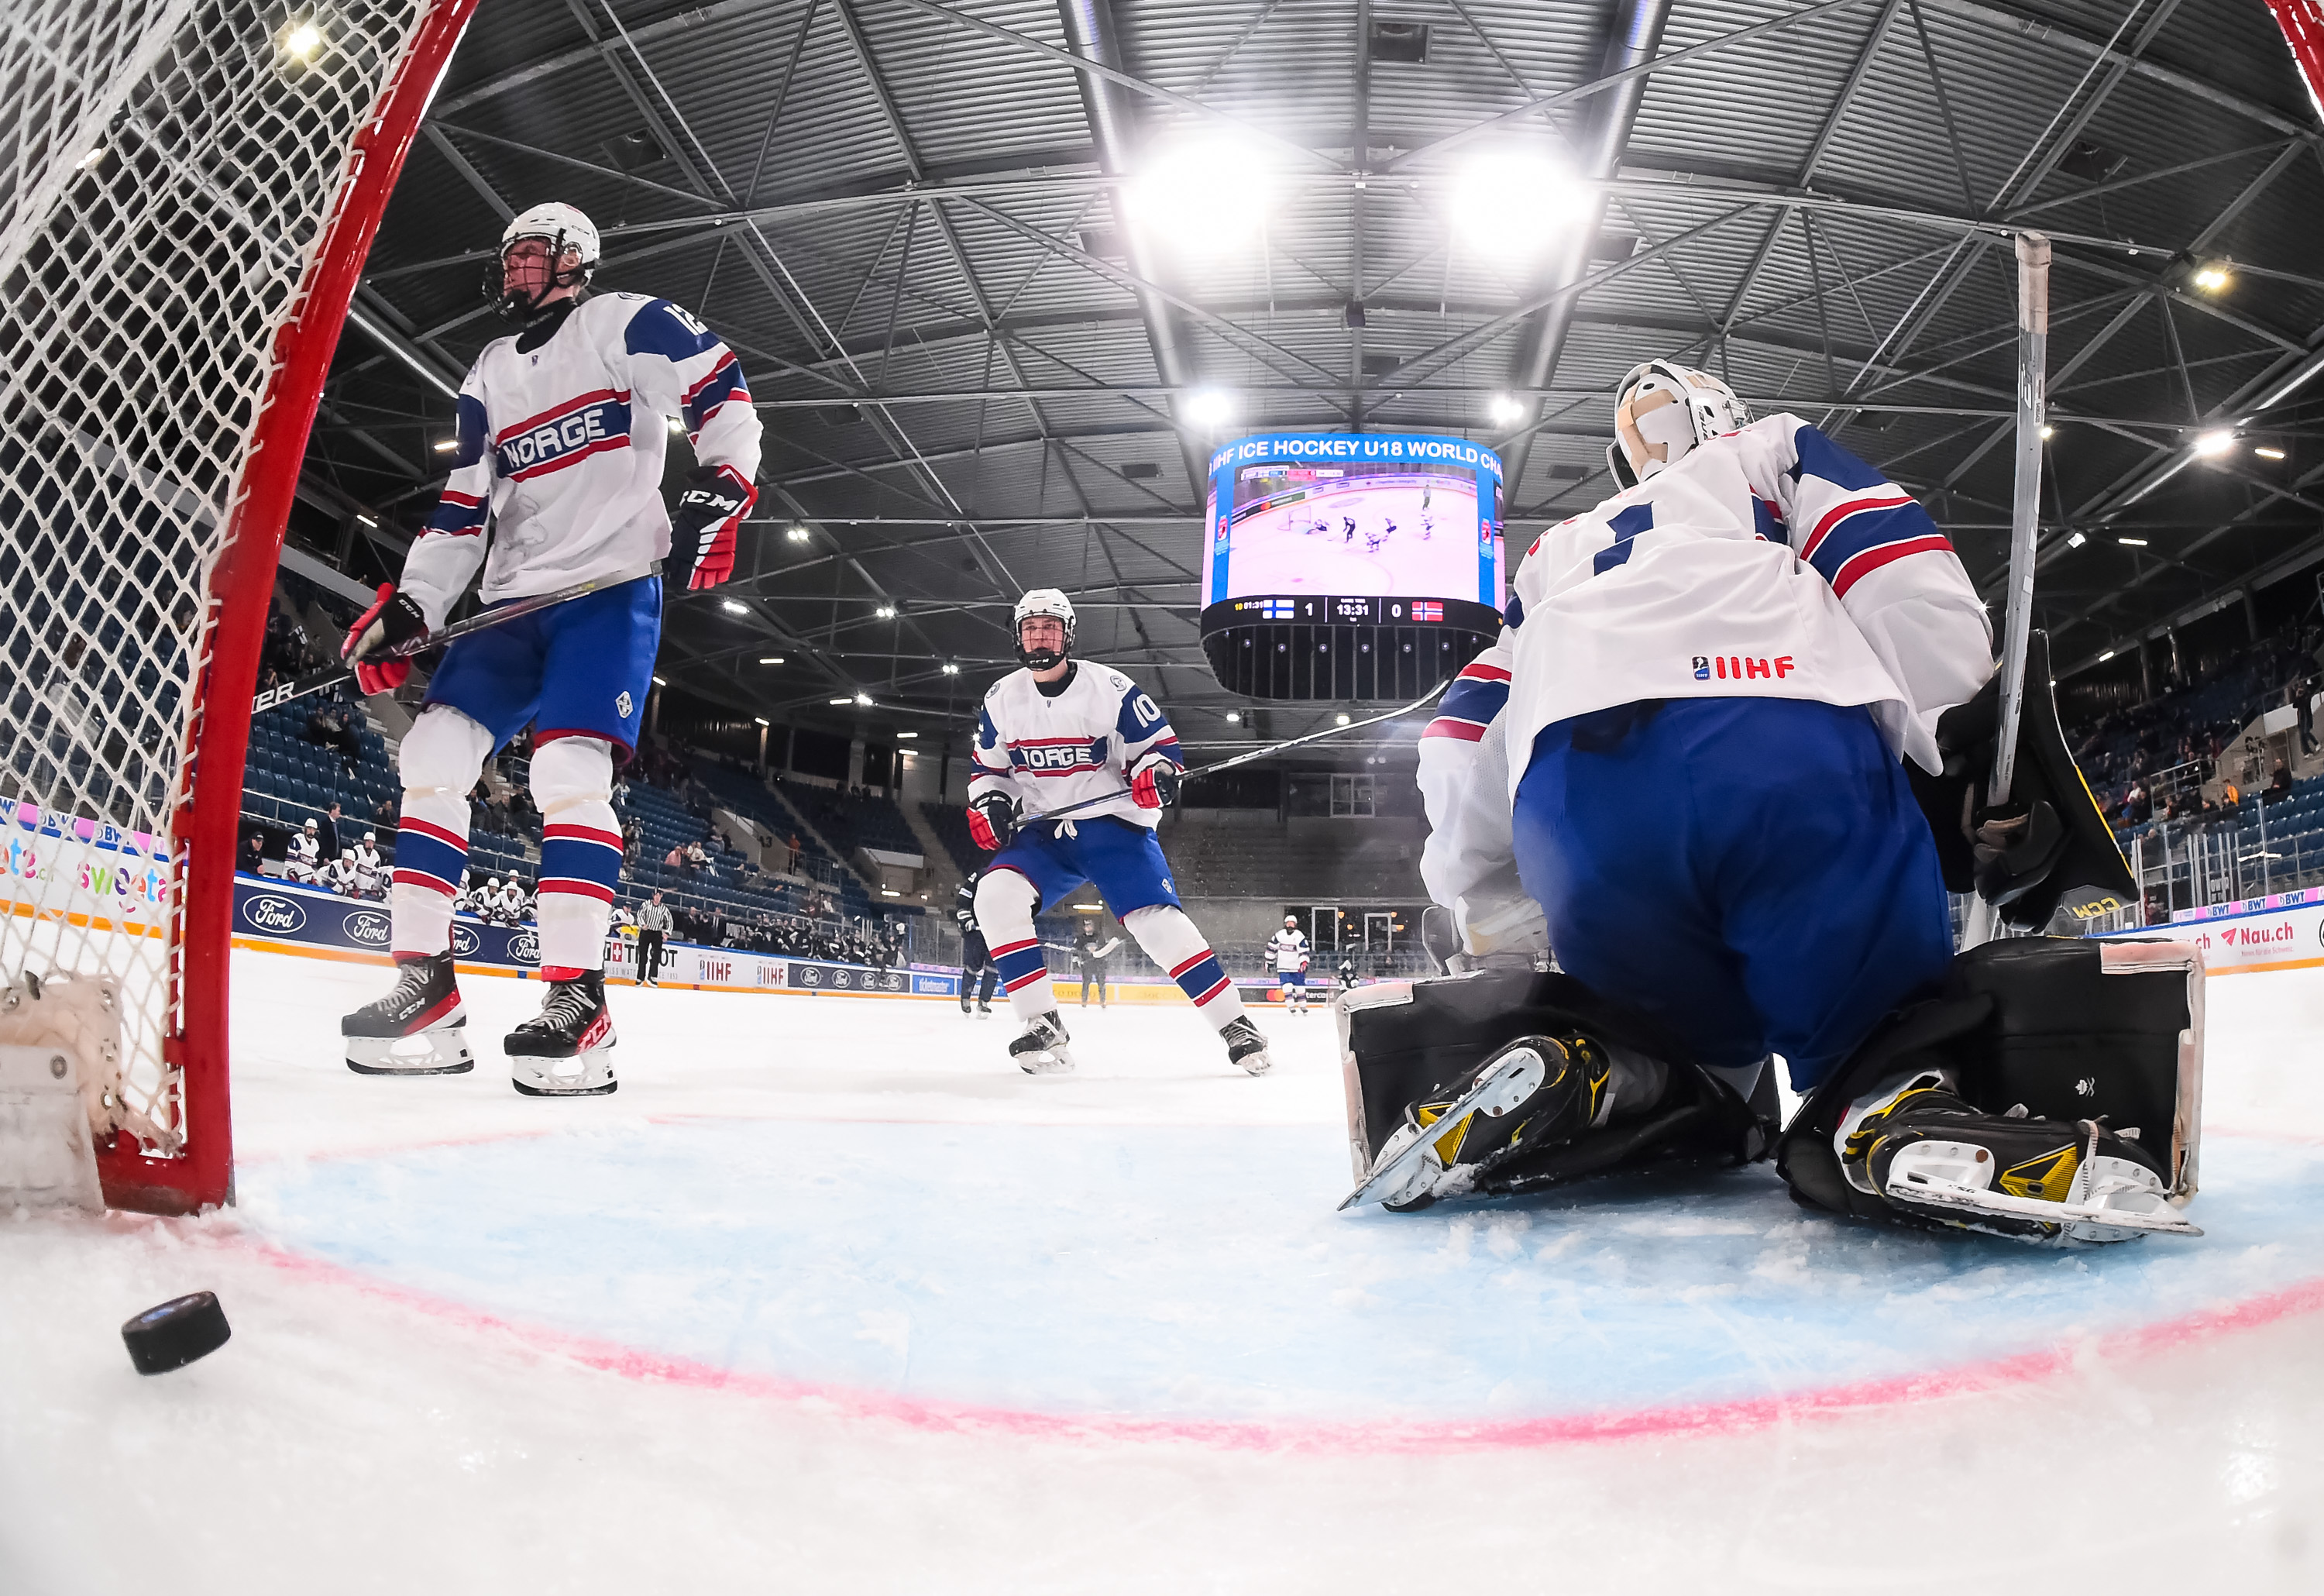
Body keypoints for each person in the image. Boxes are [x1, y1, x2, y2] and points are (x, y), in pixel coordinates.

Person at [339, 201, 759, 1092]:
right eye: (510, 258)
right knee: (432, 751)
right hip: (509, 605)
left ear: (575, 260)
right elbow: (463, 507)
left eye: (530, 255)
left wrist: (724, 484)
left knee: (566, 773)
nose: (515, 270)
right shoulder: (489, 370)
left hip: (606, 593)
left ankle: (580, 999)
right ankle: (427, 985)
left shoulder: (621, 323)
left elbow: (719, 384)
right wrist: (414, 602)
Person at [966, 589, 1269, 1075]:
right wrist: (991, 802)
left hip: (1113, 826)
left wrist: (1155, 773)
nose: (1039, 636)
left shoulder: (1109, 687)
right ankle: (1041, 1022)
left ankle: (1234, 1022)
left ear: (1068, 634)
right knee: (994, 896)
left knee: (1155, 922)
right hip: (1045, 830)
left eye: (1049, 627)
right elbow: (989, 770)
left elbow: (1159, 748)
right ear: (1018, 636)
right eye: (1030, 628)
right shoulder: (1001, 698)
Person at [954, 871, 997, 1016]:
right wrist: (966, 919)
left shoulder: (1012, 879)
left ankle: (984, 1001)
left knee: (993, 968)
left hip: (997, 932)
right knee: (973, 966)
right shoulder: (981, 875)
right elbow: (963, 900)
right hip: (976, 930)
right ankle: (965, 998)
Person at [1265, 914, 1312, 1016]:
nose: (1290, 925)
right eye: (1288, 923)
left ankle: (1303, 1006)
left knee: (1300, 989)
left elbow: (1304, 950)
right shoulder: (1279, 935)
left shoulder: (1299, 936)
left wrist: (1304, 962)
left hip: (1297, 967)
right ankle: (1291, 1007)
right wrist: (1269, 961)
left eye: (1292, 923)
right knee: (1287, 988)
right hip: (1283, 967)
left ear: (1295, 925)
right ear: (1285, 924)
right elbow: (1271, 948)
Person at [1071, 919, 1119, 1009]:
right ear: (1084, 928)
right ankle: (1084, 1001)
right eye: (1087, 926)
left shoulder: (1099, 937)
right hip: (1087, 965)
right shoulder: (1080, 939)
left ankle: (1103, 1001)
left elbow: (1105, 949)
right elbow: (1075, 951)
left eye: (1090, 925)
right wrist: (1077, 960)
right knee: (1086, 984)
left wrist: (1104, 960)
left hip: (1099, 964)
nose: (1089, 927)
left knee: (1101, 984)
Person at [634, 889, 672, 987]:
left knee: (656, 956)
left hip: (657, 933)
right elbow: (639, 914)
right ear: (653, 896)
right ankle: (640, 977)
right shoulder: (646, 904)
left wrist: (666, 933)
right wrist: (642, 924)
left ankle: (652, 976)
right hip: (646, 932)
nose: (657, 897)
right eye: (656, 895)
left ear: (661, 897)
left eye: (659, 895)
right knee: (643, 955)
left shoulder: (663, 908)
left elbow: (669, 920)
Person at [349, 831, 383, 898]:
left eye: (372, 842)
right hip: (353, 886)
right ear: (364, 842)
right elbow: (351, 867)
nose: (370, 844)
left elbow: (374, 875)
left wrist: (368, 889)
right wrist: (352, 884)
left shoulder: (376, 857)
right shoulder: (357, 850)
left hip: (365, 890)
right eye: (368, 841)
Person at [286, 817, 321, 883]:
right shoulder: (297, 839)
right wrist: (291, 872)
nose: (311, 832)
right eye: (309, 829)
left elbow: (313, 866)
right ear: (305, 829)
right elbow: (290, 860)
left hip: (304, 881)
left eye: (313, 830)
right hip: (291, 879)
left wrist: (313, 878)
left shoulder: (316, 845)